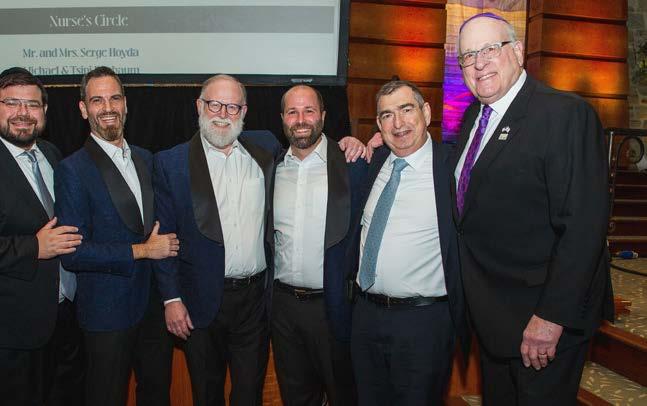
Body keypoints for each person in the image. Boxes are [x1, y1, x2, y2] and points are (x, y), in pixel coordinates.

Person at [454, 13, 614, 405]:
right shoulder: (474, 117)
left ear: (518, 51)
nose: (479, 63)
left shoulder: (564, 115)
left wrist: (551, 317)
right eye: (468, 56)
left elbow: (584, 227)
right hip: (493, 319)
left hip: (541, 324)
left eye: (490, 49)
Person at [55, 66, 177, 406]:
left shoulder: (146, 159)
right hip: (106, 313)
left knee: (157, 395)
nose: (107, 107)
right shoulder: (72, 169)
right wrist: (143, 250)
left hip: (153, 308)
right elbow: (74, 253)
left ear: (126, 104)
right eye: (97, 100)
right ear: (83, 109)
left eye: (114, 98)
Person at [348, 80, 469, 406]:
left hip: (423, 323)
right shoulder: (375, 163)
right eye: (387, 115)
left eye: (406, 109)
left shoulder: (453, 168)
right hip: (365, 316)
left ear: (426, 113)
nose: (398, 123)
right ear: (378, 124)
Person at [271, 85, 366, 406]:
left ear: (323, 116)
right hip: (283, 309)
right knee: (296, 397)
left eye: (309, 111)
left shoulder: (352, 164)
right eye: (293, 112)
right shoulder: (271, 166)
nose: (301, 119)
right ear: (282, 118)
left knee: (344, 395)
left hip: (334, 306)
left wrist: (362, 142)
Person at [0, 67, 84, 406]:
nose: (23, 113)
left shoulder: (51, 154)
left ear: (44, 111)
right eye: (11, 103)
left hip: (65, 320)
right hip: (14, 334)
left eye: (32, 105)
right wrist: (35, 246)